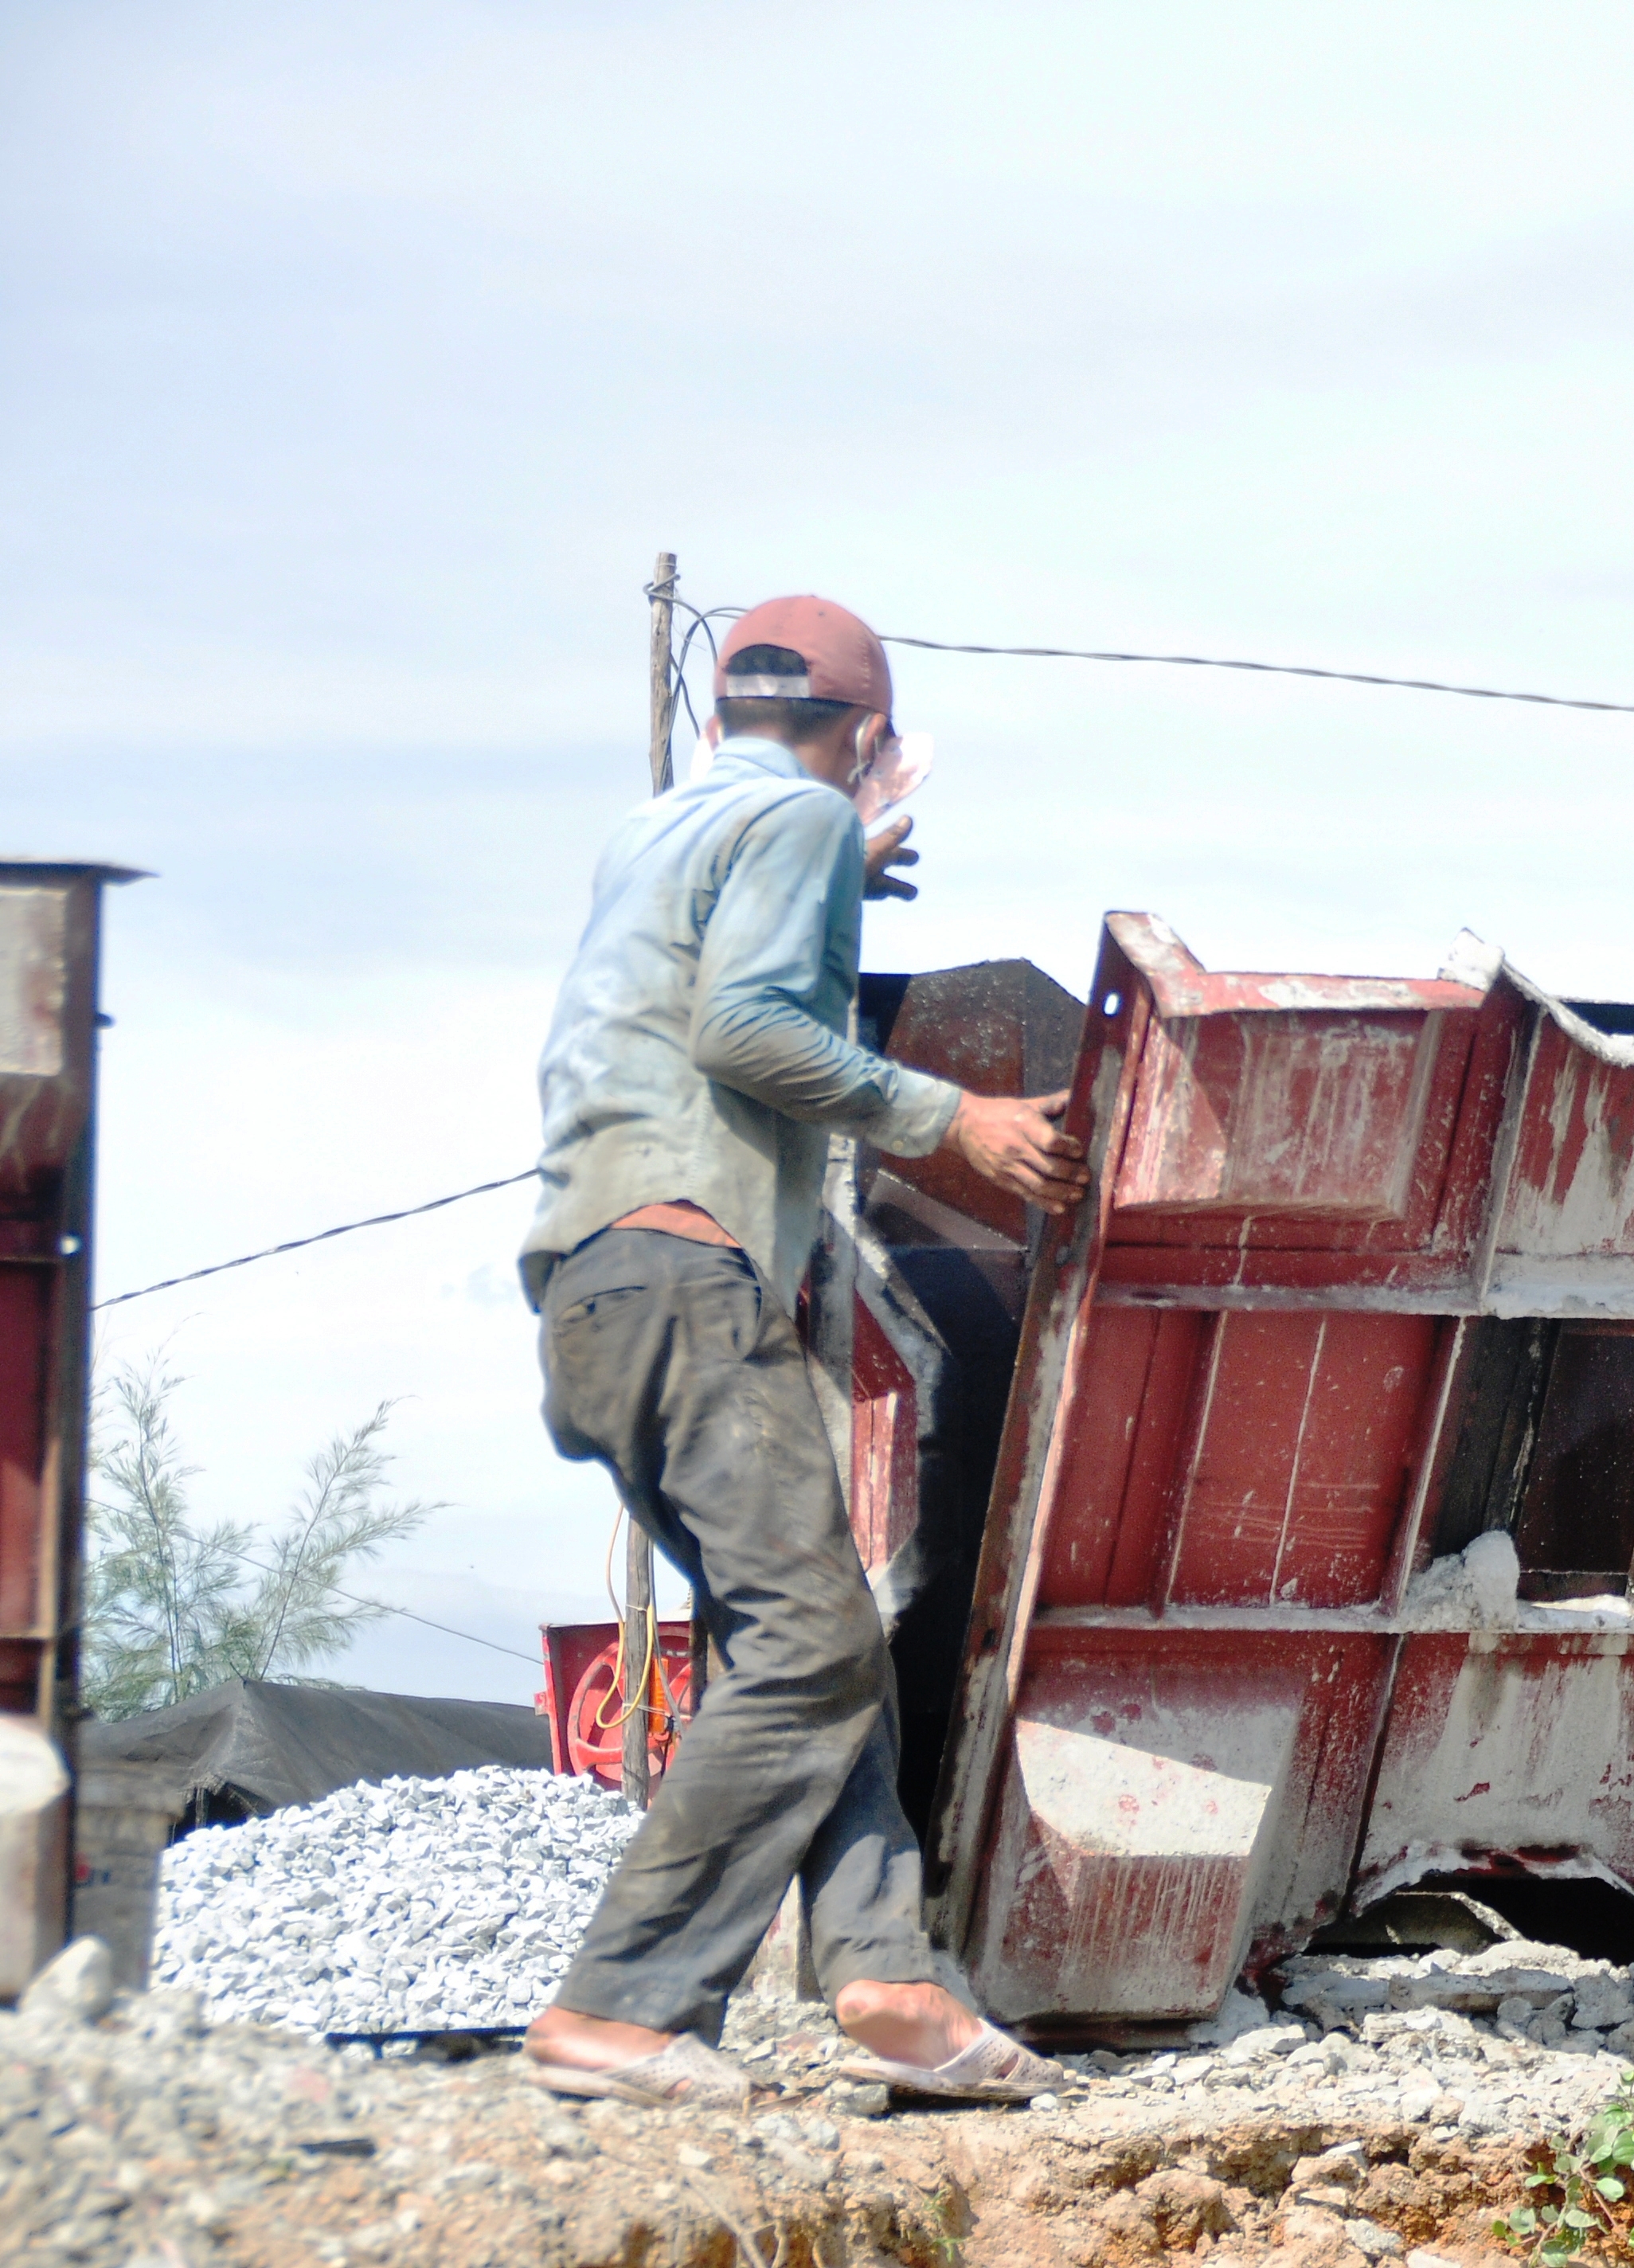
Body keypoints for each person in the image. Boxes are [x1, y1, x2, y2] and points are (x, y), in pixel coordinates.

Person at [516, 595, 1092, 2107]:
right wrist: (955, 1121)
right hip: (686, 1274)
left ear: (720, 716)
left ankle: (892, 1981)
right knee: (816, 1642)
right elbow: (748, 1029)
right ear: (872, 733)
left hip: (598, 1290)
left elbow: (697, 974)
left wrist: (848, 864)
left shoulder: (662, 829)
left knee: (809, 1625)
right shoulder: (803, 823)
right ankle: (618, 2011)